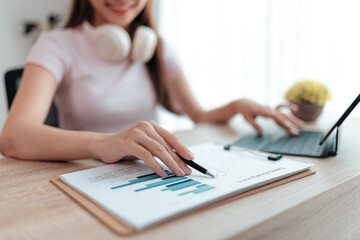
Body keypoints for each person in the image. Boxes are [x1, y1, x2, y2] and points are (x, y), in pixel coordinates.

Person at [0, 0, 302, 178]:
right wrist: (104, 143)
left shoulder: (155, 46)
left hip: (147, 173)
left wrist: (237, 104)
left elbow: (198, 114)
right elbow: (14, 136)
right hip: (85, 174)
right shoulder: (57, 44)